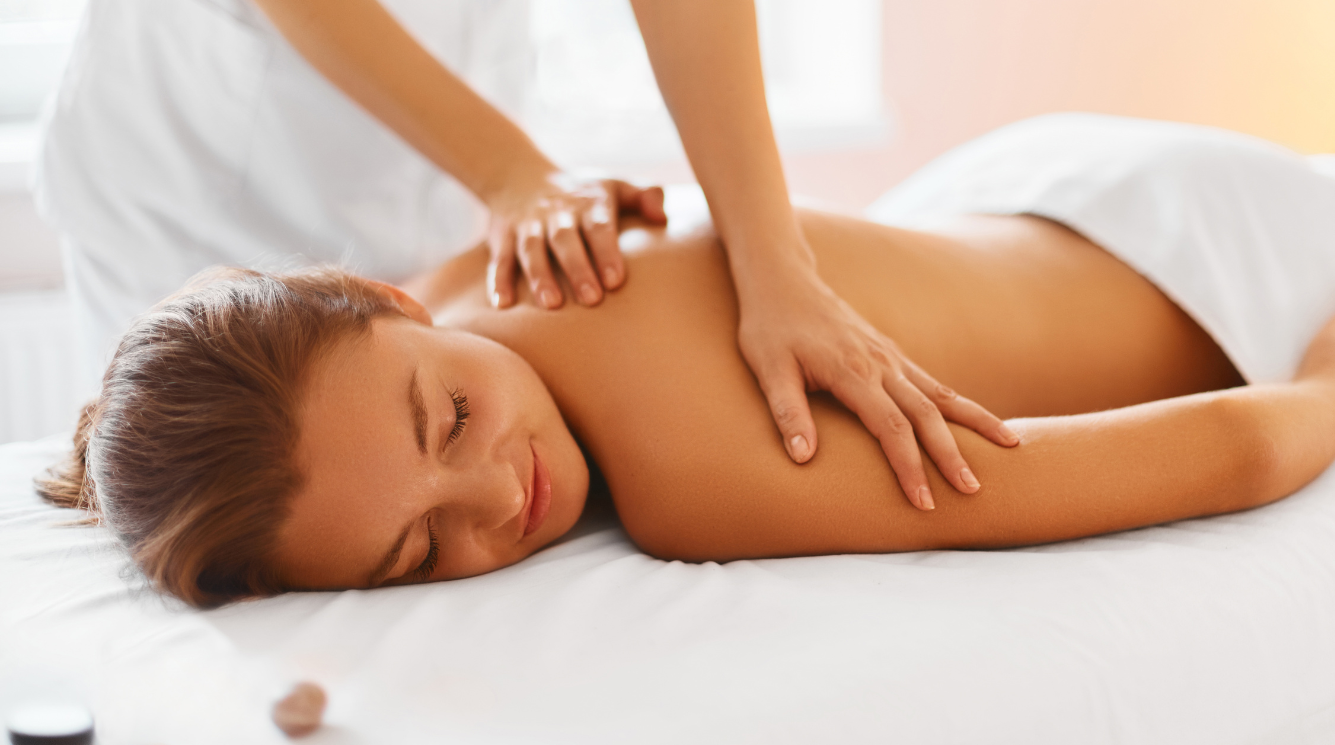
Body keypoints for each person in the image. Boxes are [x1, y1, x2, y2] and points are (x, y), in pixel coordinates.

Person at [37, 114, 1335, 607]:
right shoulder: (490, 265)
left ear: (385, 297)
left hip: (1213, 268)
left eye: (448, 421)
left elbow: (1242, 444)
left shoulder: (698, 481)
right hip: (1037, 173)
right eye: (415, 556)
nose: (496, 503)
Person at [36, 0, 987, 506]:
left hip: (431, 168)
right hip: (197, 153)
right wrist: (511, 174)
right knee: (203, 511)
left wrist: (776, 266)